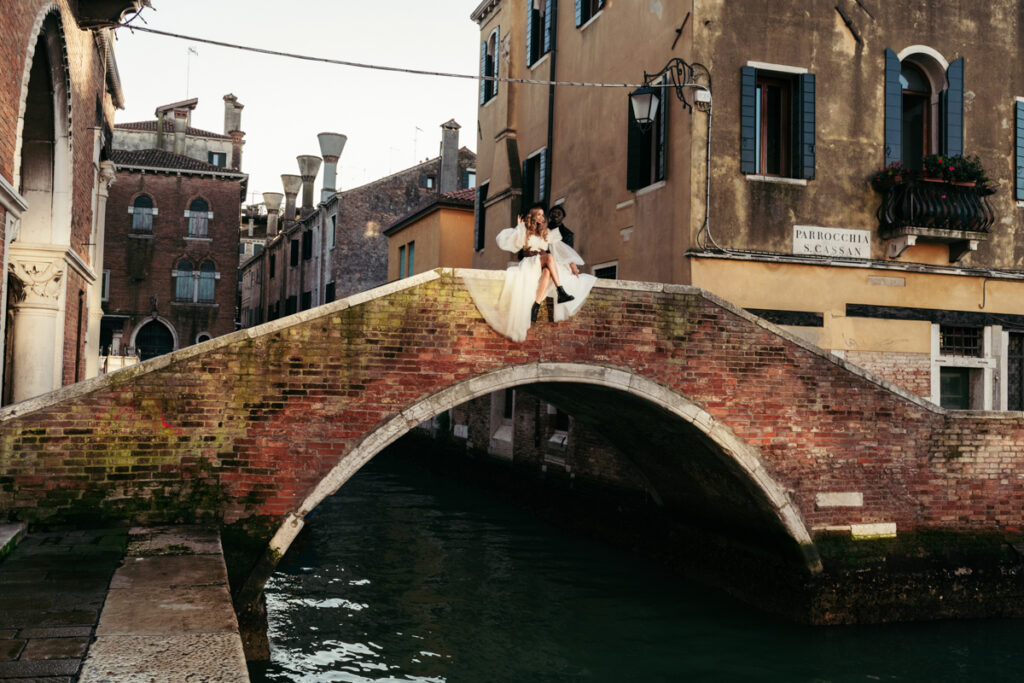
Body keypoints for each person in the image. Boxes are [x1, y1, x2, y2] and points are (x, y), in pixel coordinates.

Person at [464, 203, 596, 342]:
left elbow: (561, 249)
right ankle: (560, 290)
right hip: (530, 263)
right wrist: (519, 227)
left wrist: (572, 264)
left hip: (543, 264)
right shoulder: (525, 230)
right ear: (532, 216)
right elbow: (507, 242)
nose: (542, 217)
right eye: (538, 214)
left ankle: (536, 306)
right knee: (550, 258)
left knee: (547, 272)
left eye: (542, 215)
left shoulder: (547, 232)